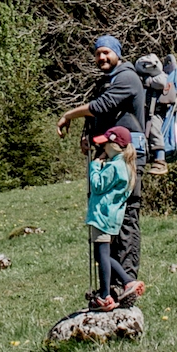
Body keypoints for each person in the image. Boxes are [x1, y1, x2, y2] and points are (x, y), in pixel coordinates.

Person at [56, 35, 145, 297]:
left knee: (126, 219)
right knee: (107, 222)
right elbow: (99, 113)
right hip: (109, 157)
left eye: (106, 52)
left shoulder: (127, 78)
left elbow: (102, 106)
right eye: (97, 54)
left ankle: (124, 285)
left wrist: (67, 115)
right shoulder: (106, 81)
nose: (102, 58)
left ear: (117, 53)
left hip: (129, 159)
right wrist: (87, 134)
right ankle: (112, 286)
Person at [83, 126, 142, 309]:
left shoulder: (114, 166)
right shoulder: (125, 166)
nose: (103, 148)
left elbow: (97, 185)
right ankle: (126, 281)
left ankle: (105, 294)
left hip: (102, 215)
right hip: (112, 217)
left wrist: (95, 165)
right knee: (104, 255)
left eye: (105, 144)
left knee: (102, 255)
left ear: (115, 145)